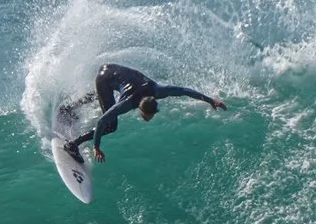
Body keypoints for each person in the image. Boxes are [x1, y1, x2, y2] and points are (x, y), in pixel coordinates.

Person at [63, 62, 225, 163]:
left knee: (106, 95)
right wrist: (96, 146)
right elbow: (101, 122)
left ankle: (71, 107)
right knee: (111, 126)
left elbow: (184, 91)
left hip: (110, 69)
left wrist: (211, 101)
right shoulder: (127, 103)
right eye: (148, 116)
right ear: (140, 108)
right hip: (105, 77)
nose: (149, 118)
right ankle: (73, 145)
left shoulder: (158, 91)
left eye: (151, 115)